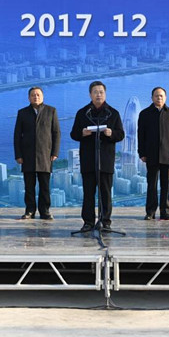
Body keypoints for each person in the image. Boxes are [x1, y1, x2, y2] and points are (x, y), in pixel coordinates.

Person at [70, 81, 125, 231]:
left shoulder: (113, 113)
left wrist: (111, 133)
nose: (98, 95)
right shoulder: (83, 113)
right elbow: (73, 134)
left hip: (105, 160)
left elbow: (121, 134)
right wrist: (82, 133)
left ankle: (105, 222)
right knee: (88, 193)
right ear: (90, 95)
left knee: (105, 193)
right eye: (95, 92)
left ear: (105, 94)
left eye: (101, 92)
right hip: (88, 159)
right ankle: (88, 222)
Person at [14, 86, 61, 220]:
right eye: (33, 95)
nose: (36, 97)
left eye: (38, 95)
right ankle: (30, 211)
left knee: (44, 186)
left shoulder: (51, 111)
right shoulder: (22, 113)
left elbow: (56, 133)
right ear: (29, 98)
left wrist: (55, 152)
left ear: (43, 96)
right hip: (27, 155)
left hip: (45, 154)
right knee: (29, 186)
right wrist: (18, 155)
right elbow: (17, 135)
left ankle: (45, 211)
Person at [137, 86, 169, 220]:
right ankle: (150, 212)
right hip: (151, 155)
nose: (159, 98)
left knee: (166, 186)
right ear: (152, 98)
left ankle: (165, 212)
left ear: (165, 98)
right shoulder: (144, 114)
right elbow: (141, 136)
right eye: (156, 96)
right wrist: (141, 153)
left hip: (168, 155)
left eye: (161, 96)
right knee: (151, 185)